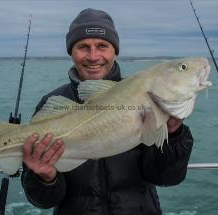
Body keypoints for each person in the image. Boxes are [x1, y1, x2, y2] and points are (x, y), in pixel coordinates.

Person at [21, 8, 193, 215]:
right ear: (71, 52)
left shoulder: (145, 97)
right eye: (83, 46)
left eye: (102, 46)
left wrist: (173, 135)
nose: (93, 56)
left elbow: (166, 178)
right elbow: (43, 201)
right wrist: (45, 178)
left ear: (115, 51)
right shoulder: (51, 103)